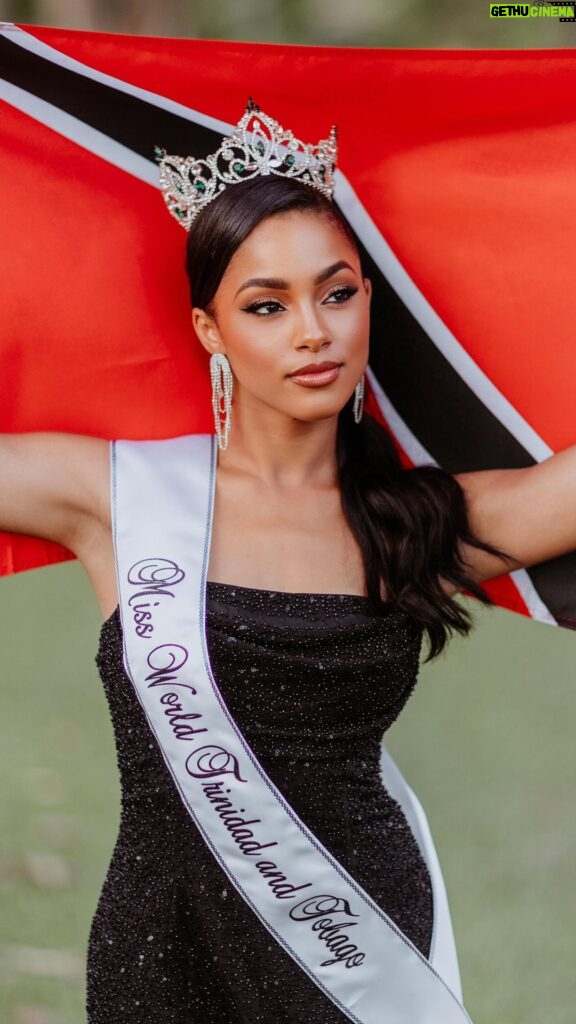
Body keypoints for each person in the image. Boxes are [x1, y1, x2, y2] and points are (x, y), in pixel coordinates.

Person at [1, 100, 576, 1024]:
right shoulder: (115, 497)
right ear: (211, 330)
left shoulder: (417, 522)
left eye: (337, 292)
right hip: (163, 946)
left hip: (355, 947)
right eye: (267, 305)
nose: (313, 331)